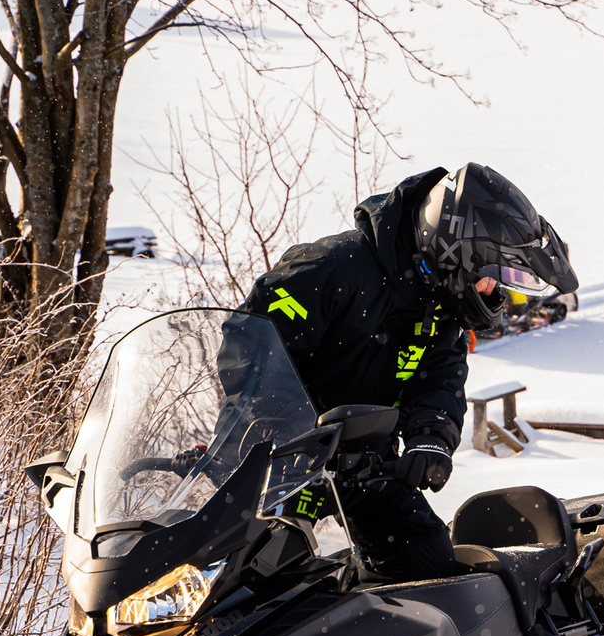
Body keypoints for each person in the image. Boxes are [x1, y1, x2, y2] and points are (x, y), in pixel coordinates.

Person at [244, 163, 574, 581]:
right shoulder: (331, 268)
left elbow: (441, 380)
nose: (502, 295)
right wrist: (281, 436)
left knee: (428, 567)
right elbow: (252, 354)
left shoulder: (441, 303)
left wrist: (431, 440)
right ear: (461, 254)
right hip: (278, 462)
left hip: (364, 466)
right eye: (496, 278)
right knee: (264, 580)